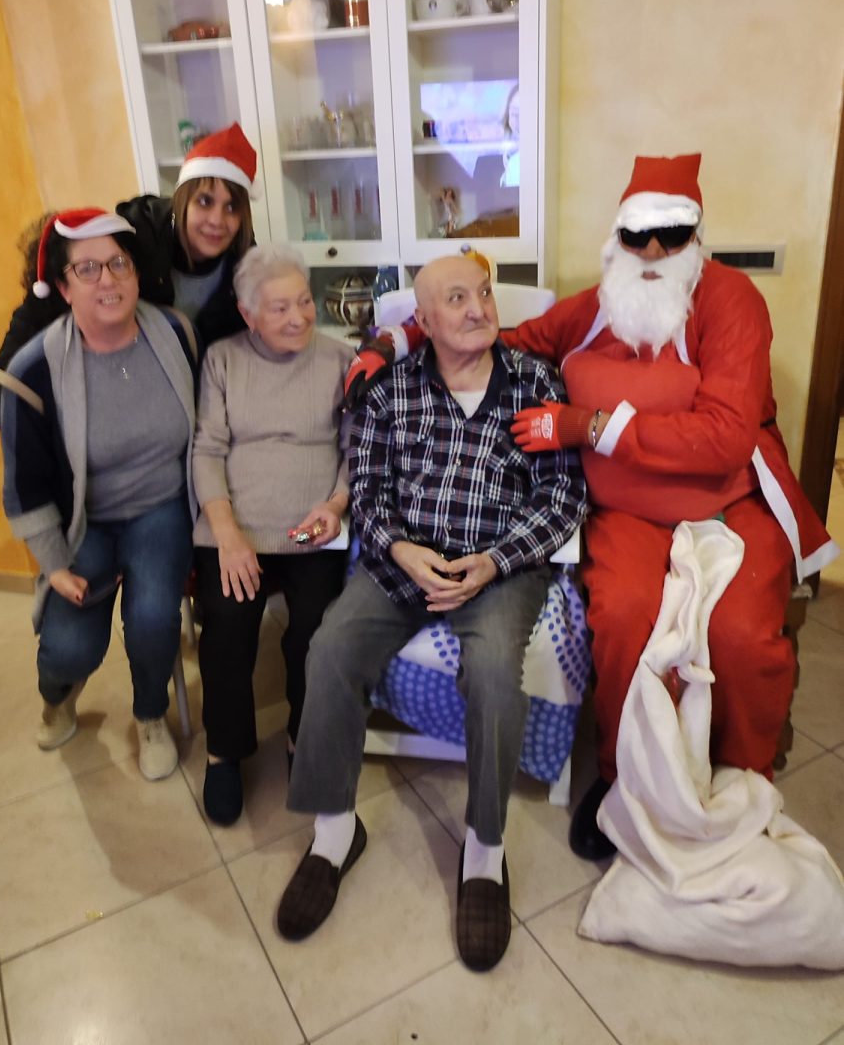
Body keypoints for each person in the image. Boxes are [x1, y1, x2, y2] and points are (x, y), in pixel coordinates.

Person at [347, 154, 838, 861]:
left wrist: (586, 425)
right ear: (619, 236)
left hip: (727, 504)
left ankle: (742, 779)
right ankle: (618, 778)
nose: (654, 251)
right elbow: (491, 336)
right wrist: (393, 340)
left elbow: (726, 437)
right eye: (638, 234)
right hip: (625, 510)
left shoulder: (732, 302)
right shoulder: (599, 304)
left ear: (696, 235)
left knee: (740, 634)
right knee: (621, 621)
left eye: (672, 234)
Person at [276, 255, 586, 972]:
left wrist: (494, 562)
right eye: (457, 298)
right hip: (402, 562)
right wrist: (400, 549)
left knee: (494, 675)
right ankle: (333, 832)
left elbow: (564, 498)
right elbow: (369, 489)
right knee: (329, 650)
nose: (479, 308)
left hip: (499, 569)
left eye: (484, 293)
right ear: (424, 319)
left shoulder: (536, 384)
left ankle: (484, 852)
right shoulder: (393, 389)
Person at [0, 208, 199, 780]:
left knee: (153, 616)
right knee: (70, 646)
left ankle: (150, 714)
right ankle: (56, 695)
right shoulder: (30, 370)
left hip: (160, 507)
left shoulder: (177, 333)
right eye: (87, 269)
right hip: (80, 521)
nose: (108, 279)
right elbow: (24, 481)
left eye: (118, 263)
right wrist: (54, 563)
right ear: (62, 287)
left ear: (136, 271)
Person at [192, 245, 353, 826]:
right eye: (280, 308)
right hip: (236, 527)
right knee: (226, 625)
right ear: (248, 313)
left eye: (304, 302)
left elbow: (356, 449)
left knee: (316, 629)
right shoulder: (223, 360)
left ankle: (300, 736)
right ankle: (224, 751)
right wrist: (227, 534)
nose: (298, 317)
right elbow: (207, 449)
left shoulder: (340, 359)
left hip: (314, 527)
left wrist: (335, 505)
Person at [0, 122, 259, 426]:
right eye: (205, 201)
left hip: (194, 412)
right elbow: (45, 303)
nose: (217, 220)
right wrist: (5, 402)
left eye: (231, 207)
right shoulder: (134, 238)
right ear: (182, 199)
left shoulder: (246, 269)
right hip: (114, 395)